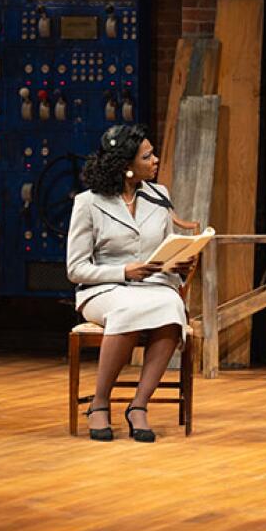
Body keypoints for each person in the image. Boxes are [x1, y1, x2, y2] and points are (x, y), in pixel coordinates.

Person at [66, 124, 195, 443]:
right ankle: (99, 403)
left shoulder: (159, 196)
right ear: (126, 165)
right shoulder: (88, 203)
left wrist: (178, 263)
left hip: (154, 286)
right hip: (104, 289)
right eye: (147, 156)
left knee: (172, 305)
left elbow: (167, 247)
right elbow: (76, 268)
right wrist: (124, 272)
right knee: (128, 306)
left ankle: (139, 405)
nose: (156, 160)